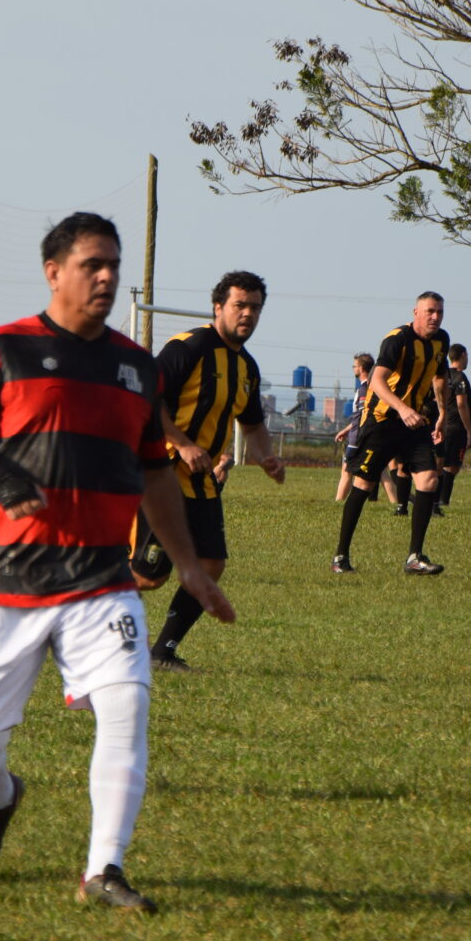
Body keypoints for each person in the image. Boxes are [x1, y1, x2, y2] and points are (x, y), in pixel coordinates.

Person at [0, 212, 232, 915]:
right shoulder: (3, 348)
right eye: (92, 264)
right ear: (54, 272)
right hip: (5, 582)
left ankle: (104, 869)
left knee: (128, 702)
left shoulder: (136, 368)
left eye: (114, 265)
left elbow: (154, 472)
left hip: (101, 580)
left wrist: (188, 565)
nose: (106, 277)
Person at [131, 270, 286, 672]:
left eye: (255, 307)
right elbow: (147, 400)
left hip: (201, 480)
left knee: (211, 563)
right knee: (147, 577)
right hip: (160, 471)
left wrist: (266, 457)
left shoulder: (247, 367)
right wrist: (182, 444)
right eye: (240, 305)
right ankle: (80, 622)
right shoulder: (189, 347)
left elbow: (252, 424)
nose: (247, 314)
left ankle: (162, 652)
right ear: (218, 307)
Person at [331, 292, 454, 575]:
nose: (435, 317)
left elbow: (439, 377)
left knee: (429, 479)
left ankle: (415, 557)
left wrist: (442, 413)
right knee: (363, 484)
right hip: (382, 420)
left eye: (439, 312)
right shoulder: (397, 339)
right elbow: (377, 380)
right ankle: (340, 556)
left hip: (415, 422)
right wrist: (401, 408)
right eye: (430, 311)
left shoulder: (441, 340)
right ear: (416, 312)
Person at [435, 344, 471, 511]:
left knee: (443, 463)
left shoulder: (443, 375)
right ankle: (442, 501)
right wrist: (469, 431)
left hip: (444, 425)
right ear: (463, 355)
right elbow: (461, 404)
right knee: (452, 466)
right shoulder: (460, 377)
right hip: (457, 427)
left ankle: (437, 500)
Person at [333, 353, 373, 502]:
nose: (353, 369)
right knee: (380, 474)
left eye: (354, 366)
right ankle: (397, 502)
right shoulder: (372, 387)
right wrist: (346, 430)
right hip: (361, 435)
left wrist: (357, 433)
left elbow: (363, 416)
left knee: (347, 470)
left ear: (361, 368)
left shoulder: (364, 390)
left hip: (358, 437)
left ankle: (339, 501)